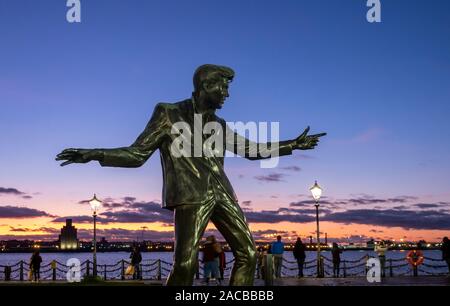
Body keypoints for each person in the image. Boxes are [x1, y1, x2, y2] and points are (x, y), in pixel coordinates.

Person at [56, 64, 326, 286]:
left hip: (223, 194)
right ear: (206, 86)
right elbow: (137, 155)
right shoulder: (168, 113)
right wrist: (95, 154)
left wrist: (292, 144)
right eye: (223, 87)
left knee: (248, 255)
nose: (227, 95)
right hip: (190, 196)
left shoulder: (219, 124)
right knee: (185, 264)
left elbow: (252, 150)